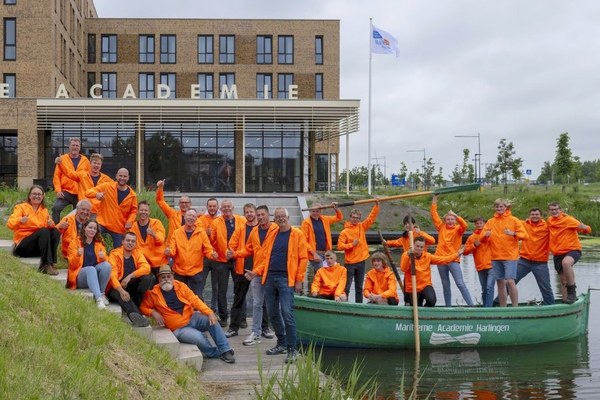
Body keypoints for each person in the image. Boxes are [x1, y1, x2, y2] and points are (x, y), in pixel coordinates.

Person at [246, 207, 308, 364]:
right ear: (275, 218)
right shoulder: (272, 234)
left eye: (283, 216)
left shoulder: (297, 234)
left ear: (288, 218)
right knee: (273, 313)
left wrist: (299, 279)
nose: (281, 219)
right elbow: (265, 258)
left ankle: (292, 349)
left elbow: (303, 258)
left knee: (287, 312)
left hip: (287, 278)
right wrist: (255, 272)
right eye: (278, 216)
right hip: (270, 277)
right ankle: (281, 343)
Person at [140, 265, 235, 363]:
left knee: (212, 320)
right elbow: (143, 307)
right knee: (199, 337)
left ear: (173, 277)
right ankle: (214, 353)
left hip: (191, 317)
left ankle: (225, 350)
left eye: (168, 276)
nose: (166, 279)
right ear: (159, 279)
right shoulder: (153, 294)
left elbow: (195, 300)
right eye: (163, 277)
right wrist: (153, 312)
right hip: (179, 329)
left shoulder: (181, 286)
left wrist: (210, 312)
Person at [230, 205, 276, 346]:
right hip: (253, 272)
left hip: (271, 272)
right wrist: (235, 254)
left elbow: (272, 254)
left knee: (271, 303)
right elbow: (248, 249)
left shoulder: (276, 230)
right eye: (258, 214)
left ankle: (272, 331)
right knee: (255, 303)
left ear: (268, 215)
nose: (260, 216)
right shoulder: (254, 231)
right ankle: (255, 332)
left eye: (262, 214)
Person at [482, 199, 528, 307]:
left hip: (510, 256)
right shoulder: (490, 221)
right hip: (495, 256)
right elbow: (483, 238)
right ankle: (503, 308)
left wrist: (513, 233)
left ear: (506, 207)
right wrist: (485, 235)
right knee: (500, 283)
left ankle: (515, 307)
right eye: (497, 207)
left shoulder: (514, 220)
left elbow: (525, 236)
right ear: (494, 208)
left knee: (510, 281)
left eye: (501, 207)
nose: (499, 209)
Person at [430, 194, 474, 306]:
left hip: (453, 259)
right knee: (445, 285)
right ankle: (448, 307)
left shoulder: (459, 229)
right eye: (448, 219)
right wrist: (435, 199)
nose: (450, 221)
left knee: (460, 283)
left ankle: (471, 306)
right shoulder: (441, 227)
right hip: (441, 259)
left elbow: (465, 225)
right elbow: (434, 214)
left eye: (452, 219)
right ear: (445, 220)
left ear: (455, 220)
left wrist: (456, 215)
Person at [7, 185, 61, 275]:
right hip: (23, 246)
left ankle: (51, 263)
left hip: (37, 247)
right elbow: (10, 223)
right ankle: (46, 264)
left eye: (39, 194)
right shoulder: (21, 207)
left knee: (55, 231)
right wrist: (20, 220)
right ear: (29, 196)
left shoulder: (44, 210)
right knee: (44, 231)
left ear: (42, 196)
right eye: (34, 194)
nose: (37, 196)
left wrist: (51, 224)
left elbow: (49, 224)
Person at [166, 209, 217, 300]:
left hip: (195, 271)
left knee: (196, 298)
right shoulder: (177, 233)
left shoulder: (201, 233)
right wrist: (169, 251)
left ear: (196, 219)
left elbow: (208, 249)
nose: (191, 218)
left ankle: (197, 314)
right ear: (185, 217)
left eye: (193, 216)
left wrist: (212, 254)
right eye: (189, 215)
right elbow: (172, 250)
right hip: (179, 271)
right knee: (180, 298)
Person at [107, 232, 155, 327]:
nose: (130, 243)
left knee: (148, 278)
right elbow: (112, 275)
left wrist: (130, 276)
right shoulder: (115, 254)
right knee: (120, 294)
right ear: (122, 242)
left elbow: (146, 268)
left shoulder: (137, 253)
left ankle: (137, 305)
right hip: (115, 288)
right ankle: (136, 315)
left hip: (128, 285)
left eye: (133, 241)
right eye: (128, 240)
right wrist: (121, 290)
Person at [547, 201, 592, 304]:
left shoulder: (569, 220)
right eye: (552, 210)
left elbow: (588, 229)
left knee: (566, 263)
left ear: (560, 210)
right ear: (549, 211)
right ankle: (566, 302)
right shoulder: (549, 220)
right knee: (563, 280)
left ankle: (572, 291)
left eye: (556, 209)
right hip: (557, 253)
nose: (554, 211)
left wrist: (584, 227)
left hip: (572, 249)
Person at [210, 200, 245, 327]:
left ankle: (241, 318)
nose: (226, 209)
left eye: (228, 206)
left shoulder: (242, 220)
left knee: (240, 289)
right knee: (221, 291)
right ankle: (224, 317)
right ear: (221, 208)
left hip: (238, 258)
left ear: (233, 207)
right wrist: (214, 251)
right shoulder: (216, 222)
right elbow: (212, 240)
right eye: (224, 207)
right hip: (221, 260)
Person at [400, 236, 463, 307]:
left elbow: (443, 260)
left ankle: (426, 311)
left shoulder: (428, 256)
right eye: (417, 246)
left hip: (425, 285)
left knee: (432, 300)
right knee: (416, 306)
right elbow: (403, 269)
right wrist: (407, 256)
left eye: (421, 247)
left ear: (424, 247)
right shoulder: (406, 255)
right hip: (412, 287)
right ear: (413, 245)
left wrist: (457, 254)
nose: (419, 249)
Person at [337, 201, 379, 303]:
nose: (355, 219)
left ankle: (358, 305)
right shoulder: (344, 232)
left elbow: (371, 219)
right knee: (346, 286)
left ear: (359, 218)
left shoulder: (361, 227)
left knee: (359, 287)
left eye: (357, 218)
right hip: (350, 263)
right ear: (350, 217)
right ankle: (344, 304)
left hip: (361, 262)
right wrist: (352, 244)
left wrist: (376, 206)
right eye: (354, 217)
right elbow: (339, 246)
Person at [86, 168, 137, 248]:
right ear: (116, 176)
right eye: (120, 175)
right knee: (91, 236)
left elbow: (134, 210)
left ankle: (112, 259)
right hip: (102, 222)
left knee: (119, 250)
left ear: (128, 178)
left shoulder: (132, 195)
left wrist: (130, 221)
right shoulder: (107, 186)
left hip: (119, 227)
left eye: (124, 176)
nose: (122, 178)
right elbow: (88, 192)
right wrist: (96, 194)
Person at [66, 219, 112, 309]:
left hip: (93, 277)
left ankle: (101, 293)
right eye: (90, 227)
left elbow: (106, 264)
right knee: (90, 269)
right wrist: (77, 255)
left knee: (107, 265)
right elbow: (71, 265)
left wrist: (103, 257)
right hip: (79, 276)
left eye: (95, 228)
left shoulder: (99, 244)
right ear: (84, 228)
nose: (92, 230)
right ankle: (98, 299)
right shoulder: (75, 243)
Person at [55, 152, 112, 217]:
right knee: (66, 221)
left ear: (101, 165)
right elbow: (70, 173)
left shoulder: (106, 179)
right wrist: (60, 164)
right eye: (94, 163)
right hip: (83, 209)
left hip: (97, 211)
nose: (96, 165)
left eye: (98, 163)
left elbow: (115, 186)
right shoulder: (82, 175)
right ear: (90, 164)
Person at [516, 208, 554, 305]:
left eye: (537, 214)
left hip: (540, 262)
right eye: (532, 214)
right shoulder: (523, 224)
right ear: (529, 215)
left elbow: (559, 226)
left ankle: (551, 306)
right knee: (511, 281)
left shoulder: (547, 226)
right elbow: (510, 221)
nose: (534, 216)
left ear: (541, 216)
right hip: (524, 260)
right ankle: (497, 302)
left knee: (545, 286)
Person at [300, 202, 343, 289]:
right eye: (313, 211)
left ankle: (319, 292)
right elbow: (303, 241)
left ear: (320, 211)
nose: (315, 213)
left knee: (320, 274)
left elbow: (339, 217)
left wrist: (336, 209)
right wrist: (314, 254)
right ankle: (320, 291)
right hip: (315, 253)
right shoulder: (306, 222)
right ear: (310, 211)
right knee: (323, 272)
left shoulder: (324, 219)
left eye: (317, 211)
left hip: (326, 252)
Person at [51, 137, 90, 223]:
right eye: (73, 145)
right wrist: (58, 190)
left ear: (79, 147)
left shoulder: (85, 161)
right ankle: (56, 230)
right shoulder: (63, 159)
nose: (75, 147)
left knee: (80, 214)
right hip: (66, 192)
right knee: (55, 208)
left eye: (77, 145)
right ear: (69, 146)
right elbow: (56, 176)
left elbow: (87, 178)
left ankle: (77, 232)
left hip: (79, 193)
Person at [464, 216, 494, 307]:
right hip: (480, 266)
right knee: (484, 288)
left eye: (481, 223)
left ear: (484, 224)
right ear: (475, 225)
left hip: (491, 265)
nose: (479, 225)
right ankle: (485, 307)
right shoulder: (471, 238)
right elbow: (465, 251)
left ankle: (488, 308)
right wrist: (474, 245)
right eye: (477, 223)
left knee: (489, 287)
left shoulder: (489, 234)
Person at [130, 200, 168, 270]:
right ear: (137, 211)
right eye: (141, 210)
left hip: (159, 261)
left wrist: (153, 234)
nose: (143, 212)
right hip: (143, 262)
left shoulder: (157, 223)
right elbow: (131, 245)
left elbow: (161, 240)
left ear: (149, 212)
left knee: (166, 274)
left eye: (146, 210)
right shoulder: (133, 227)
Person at [155, 179, 192, 244]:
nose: (184, 204)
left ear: (190, 204)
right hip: (172, 247)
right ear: (179, 204)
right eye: (182, 202)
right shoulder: (172, 214)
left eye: (186, 202)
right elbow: (160, 200)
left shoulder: (195, 219)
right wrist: (160, 188)